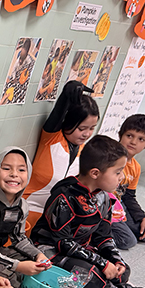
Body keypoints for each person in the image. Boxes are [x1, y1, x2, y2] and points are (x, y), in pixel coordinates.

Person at [31, 135, 145, 288]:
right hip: (49, 249)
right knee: (89, 274)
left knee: (122, 271)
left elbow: (104, 236)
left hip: (81, 249)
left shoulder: (104, 197)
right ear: (95, 173)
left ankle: (111, 283)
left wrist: (115, 260)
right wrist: (101, 262)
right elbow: (63, 243)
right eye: (117, 172)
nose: (122, 177)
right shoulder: (64, 196)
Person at [0, 148, 51, 288]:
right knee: (8, 276)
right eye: (6, 168)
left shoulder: (22, 206)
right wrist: (17, 266)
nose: (14, 174)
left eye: (21, 170)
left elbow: (18, 238)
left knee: (32, 263)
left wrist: (38, 256)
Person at [24, 80, 99, 229]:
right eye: (82, 128)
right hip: (29, 212)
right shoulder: (52, 139)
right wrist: (66, 94)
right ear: (67, 122)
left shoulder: (85, 151)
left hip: (57, 218)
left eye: (92, 128)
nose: (87, 134)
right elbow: (57, 114)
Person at [111, 114, 145, 249]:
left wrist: (142, 217)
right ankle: (97, 233)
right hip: (103, 206)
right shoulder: (110, 156)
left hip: (119, 205)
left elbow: (129, 196)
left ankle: (121, 226)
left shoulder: (136, 167)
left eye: (141, 139)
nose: (133, 142)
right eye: (129, 136)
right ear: (121, 134)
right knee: (128, 241)